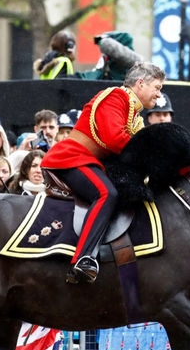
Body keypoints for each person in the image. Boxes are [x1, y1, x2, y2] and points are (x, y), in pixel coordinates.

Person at [42, 61, 165, 284]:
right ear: (140, 83)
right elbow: (115, 139)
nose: (159, 94)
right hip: (72, 157)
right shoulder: (116, 97)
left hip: (89, 162)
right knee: (106, 193)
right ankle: (83, 258)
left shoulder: (135, 115)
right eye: (157, 87)